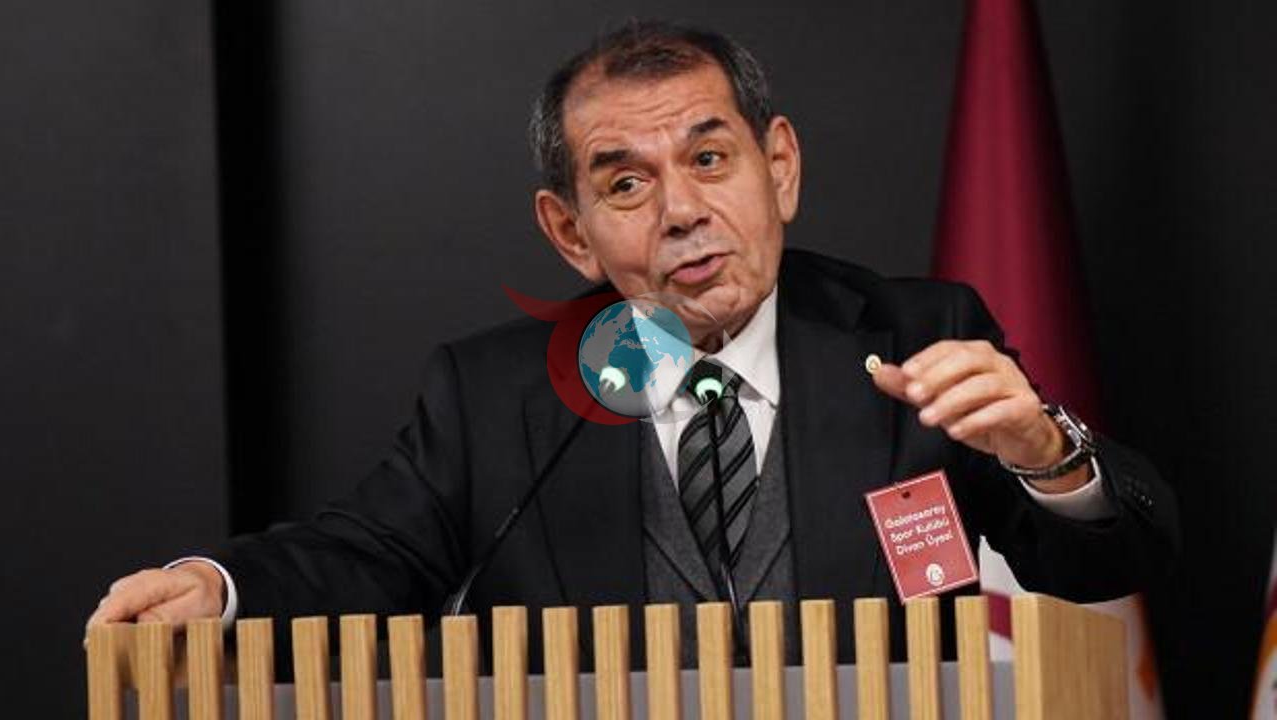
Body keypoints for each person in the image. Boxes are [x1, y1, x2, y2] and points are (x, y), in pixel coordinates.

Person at [86, 20, 1178, 665]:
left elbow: (1113, 561)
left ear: (778, 168)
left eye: (709, 160)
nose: (682, 212)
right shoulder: (496, 395)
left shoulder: (919, 336)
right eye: (625, 184)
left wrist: (1047, 456)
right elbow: (366, 557)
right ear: (570, 232)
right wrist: (216, 587)